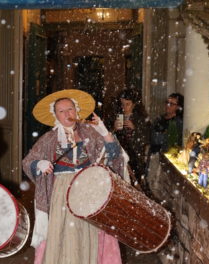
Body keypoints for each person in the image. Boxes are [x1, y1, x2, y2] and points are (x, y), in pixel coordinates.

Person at [22, 89, 130, 264]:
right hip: (61, 193)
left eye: (70, 109)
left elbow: (116, 158)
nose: (67, 114)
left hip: (88, 190)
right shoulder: (49, 139)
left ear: (77, 111)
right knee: (62, 233)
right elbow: (27, 162)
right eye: (61, 111)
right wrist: (38, 164)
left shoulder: (91, 132)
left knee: (87, 233)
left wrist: (106, 134)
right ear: (55, 115)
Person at [113, 89, 151, 189]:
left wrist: (135, 128)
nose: (124, 107)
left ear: (134, 105)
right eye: (122, 104)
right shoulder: (118, 116)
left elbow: (146, 139)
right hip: (121, 154)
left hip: (135, 156)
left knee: (135, 183)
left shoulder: (140, 118)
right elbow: (111, 137)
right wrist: (114, 129)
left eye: (127, 104)